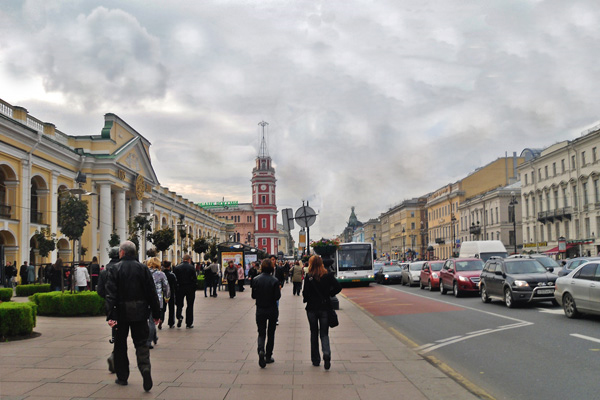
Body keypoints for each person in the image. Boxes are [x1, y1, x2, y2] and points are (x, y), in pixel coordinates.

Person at [105, 241, 161, 392]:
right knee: (141, 344)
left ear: (122, 253)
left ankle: (122, 377)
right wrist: (156, 313)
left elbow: (111, 294)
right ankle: (145, 369)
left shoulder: (115, 269)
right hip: (140, 313)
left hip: (121, 314)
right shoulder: (143, 268)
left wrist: (110, 315)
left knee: (120, 345)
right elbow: (152, 293)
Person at [302, 255, 342, 370]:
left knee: (313, 333)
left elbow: (305, 294)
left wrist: (309, 298)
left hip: (312, 309)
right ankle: (326, 353)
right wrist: (329, 294)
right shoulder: (328, 275)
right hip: (325, 308)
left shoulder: (309, 277)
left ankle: (315, 360)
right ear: (321, 263)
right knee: (324, 333)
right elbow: (338, 287)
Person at [251, 258, 281, 368]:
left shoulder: (255, 279)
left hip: (260, 309)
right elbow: (277, 297)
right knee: (271, 333)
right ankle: (268, 356)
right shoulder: (275, 281)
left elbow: (253, 296)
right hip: (272, 309)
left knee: (261, 332)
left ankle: (260, 350)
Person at [97, 247, 120, 373]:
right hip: (125, 306)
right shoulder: (122, 269)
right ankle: (116, 357)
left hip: (111, 307)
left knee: (115, 331)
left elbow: (100, 291)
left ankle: (115, 356)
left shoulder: (104, 271)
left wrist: (108, 298)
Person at [146, 257, 170, 347]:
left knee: (148, 321)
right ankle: (149, 341)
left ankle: (154, 336)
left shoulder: (145, 272)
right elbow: (166, 286)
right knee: (153, 320)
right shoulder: (161, 274)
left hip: (146, 300)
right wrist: (167, 297)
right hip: (157, 300)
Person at [173, 254, 196, 329]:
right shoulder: (191, 267)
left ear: (183, 259)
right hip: (190, 288)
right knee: (190, 305)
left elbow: (174, 279)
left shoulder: (177, 268)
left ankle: (179, 316)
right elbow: (194, 279)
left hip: (180, 288)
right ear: (189, 260)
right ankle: (189, 323)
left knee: (179, 304)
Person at [162, 261, 178, 328]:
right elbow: (175, 285)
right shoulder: (172, 275)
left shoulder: (161, 274)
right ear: (169, 267)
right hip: (171, 293)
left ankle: (161, 319)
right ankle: (171, 323)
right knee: (171, 308)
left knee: (162, 308)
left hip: (163, 293)